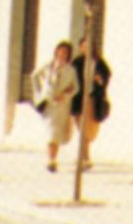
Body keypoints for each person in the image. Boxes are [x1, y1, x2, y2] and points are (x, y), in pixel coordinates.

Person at [34, 40, 79, 173]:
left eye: (65, 52)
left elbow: (76, 87)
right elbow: (35, 76)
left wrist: (65, 95)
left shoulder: (71, 70)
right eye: (60, 51)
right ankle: (51, 159)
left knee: (56, 133)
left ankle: (53, 159)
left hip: (61, 106)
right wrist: (40, 93)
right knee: (51, 133)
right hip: (49, 104)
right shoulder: (48, 66)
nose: (62, 54)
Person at [78, 50, 111, 168]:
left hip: (92, 98)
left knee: (87, 129)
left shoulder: (99, 63)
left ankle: (84, 156)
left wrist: (99, 80)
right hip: (77, 99)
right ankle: (85, 156)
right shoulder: (77, 62)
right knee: (82, 129)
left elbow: (106, 76)